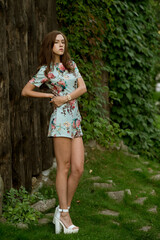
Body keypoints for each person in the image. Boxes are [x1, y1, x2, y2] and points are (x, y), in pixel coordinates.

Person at [21, 30, 87, 234]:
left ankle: (60, 209)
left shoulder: (71, 65)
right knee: (64, 166)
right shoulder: (46, 70)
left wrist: (65, 98)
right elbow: (26, 91)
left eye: (63, 42)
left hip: (75, 119)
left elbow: (82, 88)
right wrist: (50, 95)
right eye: (56, 42)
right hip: (60, 121)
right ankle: (65, 213)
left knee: (78, 168)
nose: (61, 45)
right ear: (50, 46)